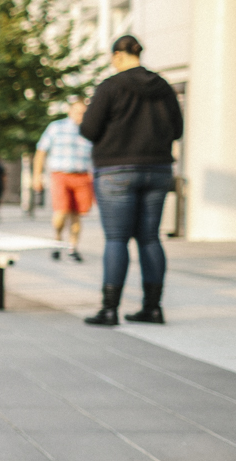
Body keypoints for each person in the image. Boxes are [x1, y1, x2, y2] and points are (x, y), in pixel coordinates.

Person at [80, 34, 183, 325]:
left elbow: (89, 129)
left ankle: (110, 309)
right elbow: (177, 129)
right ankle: (153, 307)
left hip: (116, 170)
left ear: (118, 56)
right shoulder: (162, 86)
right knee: (150, 238)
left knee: (116, 238)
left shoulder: (110, 86)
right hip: (158, 169)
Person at [32, 97, 93, 261]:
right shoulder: (56, 127)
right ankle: (57, 240)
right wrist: (36, 176)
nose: (80, 115)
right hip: (61, 174)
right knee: (61, 212)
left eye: (83, 112)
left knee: (77, 214)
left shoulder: (90, 130)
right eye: (77, 111)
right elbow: (41, 151)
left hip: (82, 176)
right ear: (70, 111)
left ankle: (72, 247)